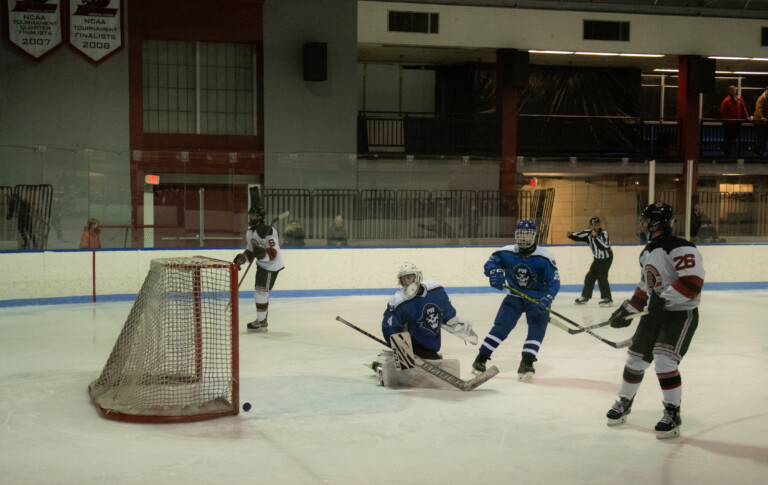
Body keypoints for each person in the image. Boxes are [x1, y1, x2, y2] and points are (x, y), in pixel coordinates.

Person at [605, 202, 705, 439]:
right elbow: (645, 286)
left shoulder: (680, 247)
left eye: (646, 220)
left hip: (680, 315)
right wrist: (628, 310)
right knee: (635, 359)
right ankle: (625, 401)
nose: (642, 224)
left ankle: (672, 413)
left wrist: (663, 300)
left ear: (657, 222)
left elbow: (693, 282)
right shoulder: (646, 252)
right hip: (655, 314)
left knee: (664, 361)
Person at [472, 220, 561, 381]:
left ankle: (527, 362)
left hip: (536, 300)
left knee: (537, 329)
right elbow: (490, 263)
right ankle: (481, 358)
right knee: (501, 328)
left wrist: (547, 298)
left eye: (528, 233)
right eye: (521, 233)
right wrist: (494, 272)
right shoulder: (506, 252)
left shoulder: (545, 257)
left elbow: (554, 282)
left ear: (534, 236)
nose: (524, 237)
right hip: (514, 297)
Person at [373, 262, 478, 388]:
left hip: (430, 346)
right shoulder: (398, 301)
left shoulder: (435, 290)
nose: (407, 282)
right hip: (411, 346)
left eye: (409, 277)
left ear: (417, 276)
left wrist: (460, 328)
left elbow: (446, 313)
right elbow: (389, 327)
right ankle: (382, 368)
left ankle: (390, 361)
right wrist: (402, 349)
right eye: (403, 279)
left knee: (431, 361)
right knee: (409, 371)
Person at [233, 207, 285, 332]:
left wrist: (262, 253)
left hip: (270, 266)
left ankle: (262, 321)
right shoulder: (250, 233)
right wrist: (242, 258)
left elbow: (273, 253)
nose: (251, 218)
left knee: (261, 293)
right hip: (261, 265)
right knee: (261, 293)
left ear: (260, 217)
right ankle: (262, 320)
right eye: (250, 215)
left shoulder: (270, 231)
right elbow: (250, 253)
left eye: (254, 216)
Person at [567, 217, 613, 306]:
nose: (594, 226)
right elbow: (579, 235)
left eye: (596, 224)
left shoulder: (604, 233)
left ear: (599, 225)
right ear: (589, 225)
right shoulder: (588, 233)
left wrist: (596, 237)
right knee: (589, 277)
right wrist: (571, 235)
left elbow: (605, 246)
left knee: (602, 277)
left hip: (606, 259)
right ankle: (585, 297)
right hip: (597, 259)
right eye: (592, 224)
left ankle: (608, 299)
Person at [719, 85, 749, 157]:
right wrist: (725, 122)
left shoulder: (739, 100)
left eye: (734, 90)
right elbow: (723, 113)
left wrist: (747, 117)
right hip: (729, 124)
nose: (733, 92)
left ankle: (727, 151)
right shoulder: (726, 101)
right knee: (729, 139)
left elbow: (743, 109)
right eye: (732, 90)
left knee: (733, 138)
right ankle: (727, 153)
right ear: (729, 92)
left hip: (737, 123)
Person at [753, 85, 768, 158]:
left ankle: (759, 152)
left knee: (762, 138)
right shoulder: (761, 98)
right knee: (761, 138)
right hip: (759, 122)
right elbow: (759, 109)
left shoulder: (764, 98)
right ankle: (758, 152)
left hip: (762, 122)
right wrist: (761, 117)